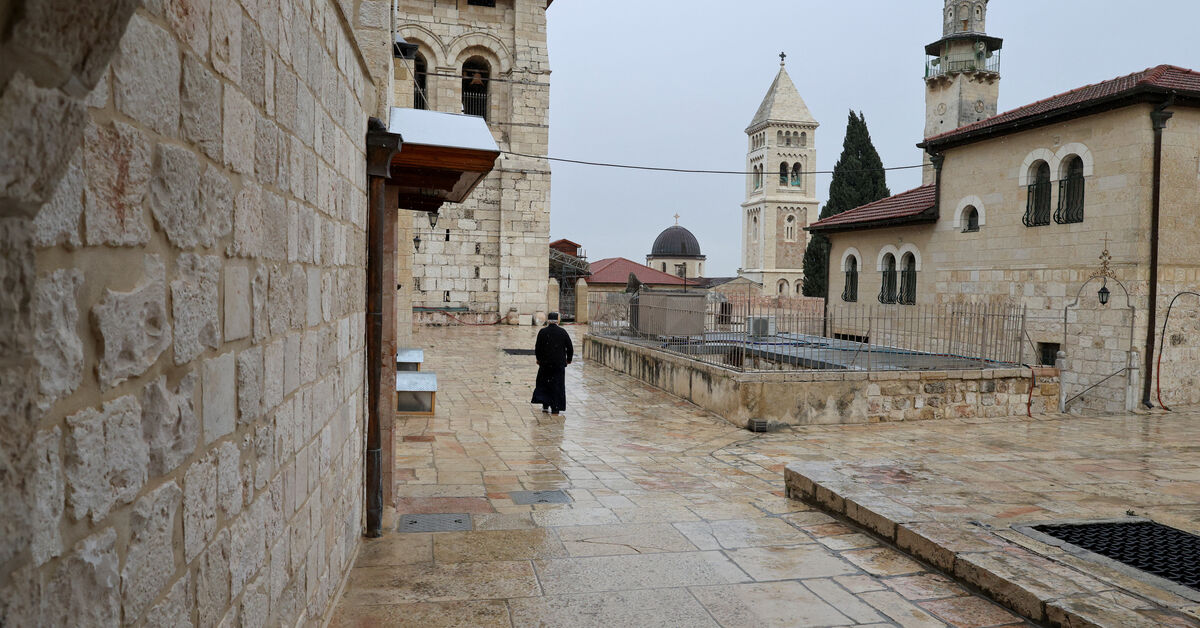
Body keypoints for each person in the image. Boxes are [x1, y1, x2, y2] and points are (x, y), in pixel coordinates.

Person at [531, 312, 573, 415]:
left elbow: (538, 347)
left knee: (545, 383)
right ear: (557, 321)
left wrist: (539, 359)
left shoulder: (543, 332)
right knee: (557, 385)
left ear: (548, 320)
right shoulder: (562, 332)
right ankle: (556, 407)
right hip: (558, 365)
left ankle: (545, 405)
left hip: (545, 364)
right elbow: (570, 347)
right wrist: (569, 359)